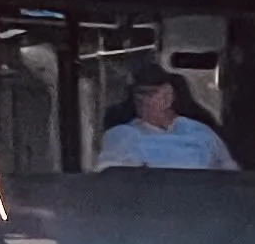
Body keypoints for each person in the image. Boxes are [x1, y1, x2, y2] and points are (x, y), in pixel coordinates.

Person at [94, 66, 238, 172]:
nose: (141, 99)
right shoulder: (121, 135)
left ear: (168, 97)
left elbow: (230, 178)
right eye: (137, 94)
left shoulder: (202, 134)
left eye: (149, 94)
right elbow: (110, 179)